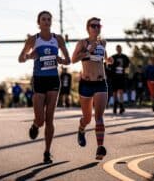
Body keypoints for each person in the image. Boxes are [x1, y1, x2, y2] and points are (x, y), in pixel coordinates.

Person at [18, 10, 70, 164]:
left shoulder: (58, 39)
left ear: (51, 22)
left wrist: (61, 60)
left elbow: (68, 60)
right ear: (38, 22)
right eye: (43, 19)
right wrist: (28, 56)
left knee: (49, 119)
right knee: (40, 120)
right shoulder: (33, 39)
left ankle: (47, 152)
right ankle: (35, 125)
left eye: (48, 19)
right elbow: (20, 58)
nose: (46, 22)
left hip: (54, 80)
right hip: (39, 81)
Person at [71, 17, 110, 160]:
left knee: (98, 117)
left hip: (100, 83)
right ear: (88, 28)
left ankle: (100, 148)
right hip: (86, 84)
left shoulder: (103, 42)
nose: (96, 28)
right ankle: (81, 130)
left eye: (98, 25)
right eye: (93, 25)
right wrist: (87, 51)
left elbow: (104, 58)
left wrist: (108, 60)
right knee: (87, 118)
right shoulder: (82, 43)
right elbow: (73, 59)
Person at [110, 45, 130, 114]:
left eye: (120, 49)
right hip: (115, 77)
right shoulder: (113, 57)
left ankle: (121, 106)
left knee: (121, 91)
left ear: (121, 49)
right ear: (116, 49)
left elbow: (128, 66)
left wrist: (126, 73)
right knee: (115, 92)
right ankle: (115, 106)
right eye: (118, 49)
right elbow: (109, 65)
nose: (119, 50)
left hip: (122, 76)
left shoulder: (125, 57)